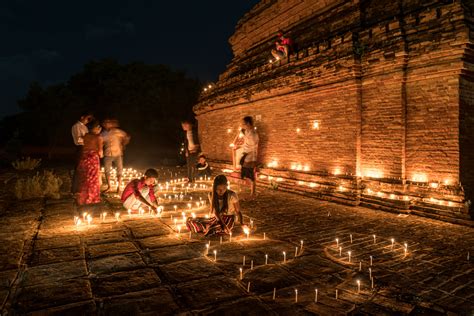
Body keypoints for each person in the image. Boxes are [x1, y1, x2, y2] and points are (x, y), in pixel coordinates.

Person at [76, 121, 103, 205]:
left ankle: (83, 198)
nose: (100, 129)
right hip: (93, 159)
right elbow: (100, 152)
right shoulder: (98, 137)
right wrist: (100, 155)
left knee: (85, 178)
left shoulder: (85, 136)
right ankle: (92, 198)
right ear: (95, 128)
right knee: (93, 178)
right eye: (99, 128)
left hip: (84, 158)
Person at [101, 119, 130, 193]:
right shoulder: (103, 133)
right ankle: (109, 187)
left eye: (108, 123)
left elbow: (127, 137)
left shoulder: (117, 131)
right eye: (105, 123)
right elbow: (100, 141)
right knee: (107, 171)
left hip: (118, 153)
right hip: (107, 154)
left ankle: (119, 187)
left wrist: (123, 145)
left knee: (119, 170)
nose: (106, 124)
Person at [236, 116, 259, 197]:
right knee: (245, 173)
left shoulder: (253, 134)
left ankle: (253, 192)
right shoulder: (247, 131)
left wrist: (243, 146)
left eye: (244, 124)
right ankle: (253, 191)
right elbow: (245, 142)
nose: (243, 125)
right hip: (246, 155)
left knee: (250, 174)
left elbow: (252, 145)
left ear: (248, 123)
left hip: (250, 156)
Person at [71, 111, 93, 193]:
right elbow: (78, 139)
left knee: (85, 168)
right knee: (79, 168)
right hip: (80, 148)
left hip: (86, 148)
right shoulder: (76, 126)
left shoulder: (85, 127)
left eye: (90, 119)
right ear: (82, 117)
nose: (88, 120)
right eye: (88, 118)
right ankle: (76, 189)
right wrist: (88, 138)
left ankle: (82, 187)